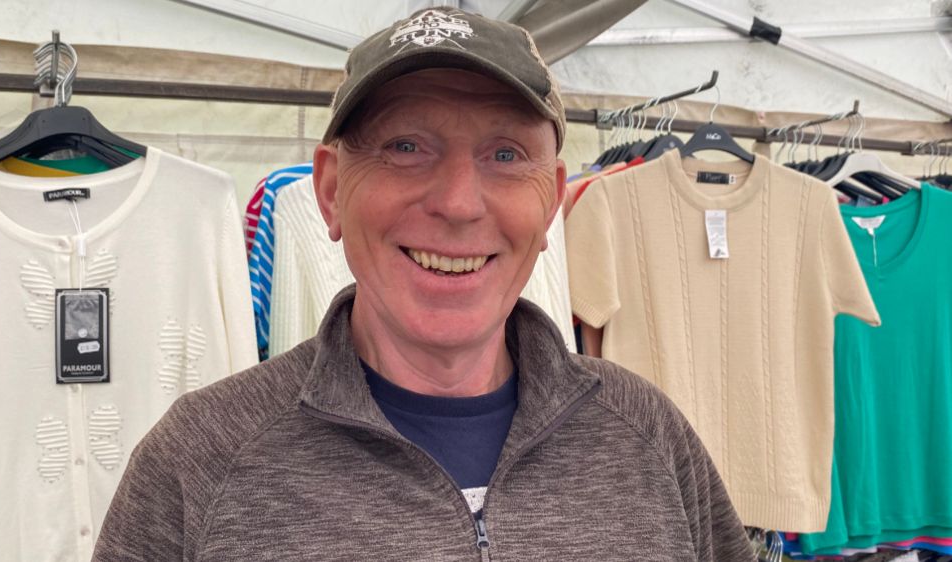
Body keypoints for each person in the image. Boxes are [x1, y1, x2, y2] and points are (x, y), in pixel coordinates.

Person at [93, 7, 756, 561]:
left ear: (551, 200)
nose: (459, 203)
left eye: (505, 155)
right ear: (330, 191)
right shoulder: (201, 456)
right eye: (406, 147)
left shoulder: (644, 434)